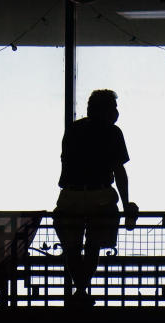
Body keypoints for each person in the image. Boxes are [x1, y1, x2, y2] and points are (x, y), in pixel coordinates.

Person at [54, 89, 139, 307]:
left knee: (72, 246)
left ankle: (80, 288)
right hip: (99, 195)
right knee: (94, 243)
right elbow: (119, 172)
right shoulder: (112, 132)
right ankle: (82, 287)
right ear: (107, 110)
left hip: (70, 195)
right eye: (114, 108)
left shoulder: (73, 130)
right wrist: (127, 201)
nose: (117, 113)